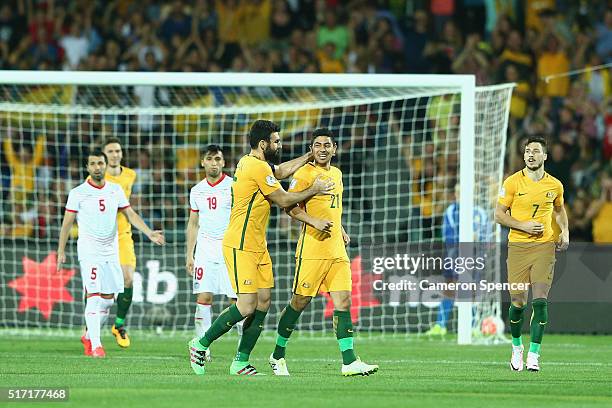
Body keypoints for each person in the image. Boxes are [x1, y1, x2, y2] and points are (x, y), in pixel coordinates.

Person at [188, 119, 334, 376]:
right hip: (240, 244)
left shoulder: (253, 162)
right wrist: (315, 188)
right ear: (264, 143)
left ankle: (240, 361)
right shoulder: (254, 167)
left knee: (264, 301)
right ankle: (200, 344)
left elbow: (277, 172)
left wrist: (307, 156)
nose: (279, 144)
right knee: (246, 305)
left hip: (258, 244)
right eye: (276, 141)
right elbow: (284, 199)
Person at [268, 128, 378, 377]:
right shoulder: (304, 173)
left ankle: (349, 362)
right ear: (311, 149)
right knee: (299, 303)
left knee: (343, 302)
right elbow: (290, 208)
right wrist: (313, 221)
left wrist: (341, 229)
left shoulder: (337, 174)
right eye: (317, 145)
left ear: (334, 149)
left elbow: (333, 209)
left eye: (327, 145)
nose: (322, 149)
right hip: (312, 249)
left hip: (336, 249)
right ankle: (277, 355)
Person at [57, 149, 164, 358]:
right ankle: (96, 346)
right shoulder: (78, 193)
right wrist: (61, 250)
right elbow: (67, 224)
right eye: (93, 164)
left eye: (100, 163)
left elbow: (130, 214)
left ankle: (89, 335)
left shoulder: (115, 190)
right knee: (94, 295)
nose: (97, 167)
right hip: (89, 251)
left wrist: (149, 232)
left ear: (105, 166)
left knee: (108, 298)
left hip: (110, 251)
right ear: (87, 167)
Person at [495, 136, 569, 372]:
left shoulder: (555, 185)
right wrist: (523, 225)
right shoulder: (513, 182)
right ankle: (517, 347)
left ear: (544, 156)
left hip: (544, 246)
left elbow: (559, 211)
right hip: (517, 246)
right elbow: (499, 215)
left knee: (540, 300)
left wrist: (565, 231)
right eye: (527, 151)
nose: (530, 154)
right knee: (518, 303)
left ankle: (534, 354)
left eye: (536, 151)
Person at [185, 144, 242, 361]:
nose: (214, 163)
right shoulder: (197, 190)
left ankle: (241, 350)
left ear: (224, 162)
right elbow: (193, 223)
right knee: (204, 297)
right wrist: (190, 254)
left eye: (218, 159)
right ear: (203, 162)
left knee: (237, 301)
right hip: (205, 251)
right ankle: (202, 348)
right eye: (210, 159)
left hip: (229, 249)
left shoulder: (233, 186)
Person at [426, 183, 490, 336]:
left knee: (472, 292)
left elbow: (486, 237)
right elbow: (448, 236)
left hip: (474, 257)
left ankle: (474, 326)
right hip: (454, 256)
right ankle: (440, 326)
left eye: (466, 192)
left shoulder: (480, 213)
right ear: (455, 195)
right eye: (459, 193)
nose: (462, 196)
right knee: (449, 290)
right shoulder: (451, 211)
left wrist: (477, 240)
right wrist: (467, 237)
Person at [101, 138, 138, 348]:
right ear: (104, 155)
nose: (115, 154)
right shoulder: (98, 177)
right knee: (99, 286)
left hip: (123, 234)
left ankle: (119, 324)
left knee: (128, 279)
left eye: (118, 150)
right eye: (111, 151)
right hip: (103, 236)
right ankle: (92, 326)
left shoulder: (130, 175)